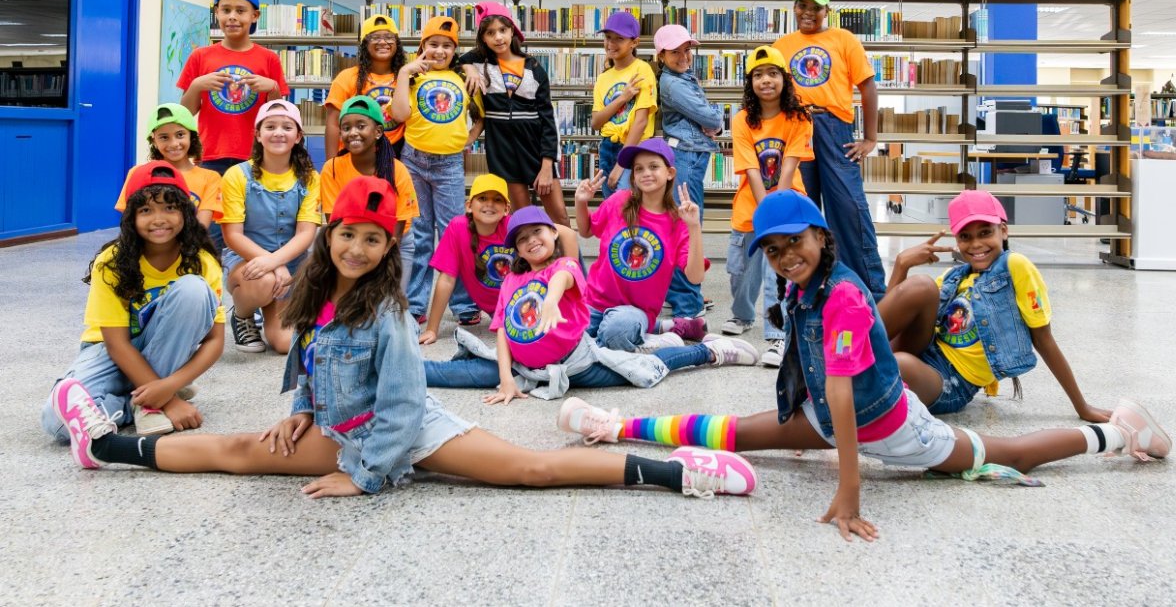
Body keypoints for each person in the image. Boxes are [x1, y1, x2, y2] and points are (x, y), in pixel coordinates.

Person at [49, 177, 758, 501]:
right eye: (348, 235)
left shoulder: (385, 312)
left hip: (404, 434)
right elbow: (306, 359)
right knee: (238, 453)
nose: (357, 248)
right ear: (330, 236)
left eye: (373, 240)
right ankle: (105, 445)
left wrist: (364, 476)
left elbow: (401, 401)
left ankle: (678, 472)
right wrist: (301, 406)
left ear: (388, 249)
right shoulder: (318, 291)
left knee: (531, 471)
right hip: (338, 425)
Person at [558, 190, 1172, 542]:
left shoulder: (847, 298)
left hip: (899, 427)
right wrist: (798, 410)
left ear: (822, 236)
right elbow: (811, 365)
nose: (784, 257)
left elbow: (848, 395)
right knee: (737, 431)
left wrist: (848, 491)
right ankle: (616, 427)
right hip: (829, 415)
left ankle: (1119, 433)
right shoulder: (803, 288)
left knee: (1008, 453)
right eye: (772, 251)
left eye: (794, 242)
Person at [423, 205, 760, 402]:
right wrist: (506, 380)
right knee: (451, 374)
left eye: (537, 232)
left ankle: (709, 351)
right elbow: (500, 332)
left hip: (580, 366)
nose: (531, 241)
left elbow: (561, 280)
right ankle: (385, 368)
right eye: (522, 240)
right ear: (517, 250)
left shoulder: (564, 266)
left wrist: (552, 301)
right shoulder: (512, 280)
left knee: (646, 369)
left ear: (554, 233)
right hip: (521, 370)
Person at [877, 189, 1110, 422]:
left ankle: (852, 368)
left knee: (896, 365)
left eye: (985, 232)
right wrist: (901, 266)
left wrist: (1082, 406)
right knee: (921, 286)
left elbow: (1043, 338)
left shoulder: (1014, 266)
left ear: (1004, 230)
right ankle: (847, 356)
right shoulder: (954, 277)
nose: (976, 244)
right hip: (925, 353)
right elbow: (892, 321)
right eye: (965, 237)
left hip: (950, 381)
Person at [41, 162, 223, 440]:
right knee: (57, 421)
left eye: (170, 208)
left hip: (167, 348)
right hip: (109, 350)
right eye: (146, 210)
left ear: (186, 212)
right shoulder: (111, 262)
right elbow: (116, 343)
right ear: (131, 217)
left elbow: (215, 341)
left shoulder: (202, 262)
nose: (159, 218)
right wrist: (169, 398)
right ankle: (148, 400)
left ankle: (152, 393)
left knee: (193, 290)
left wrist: (174, 382)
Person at [772, 0, 886, 299]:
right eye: (802, 5)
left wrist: (870, 138)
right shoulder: (781, 46)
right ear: (794, 7)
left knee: (849, 209)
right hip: (796, 127)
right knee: (802, 210)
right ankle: (811, 290)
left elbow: (867, 86)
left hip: (834, 127)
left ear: (827, 10)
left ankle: (871, 293)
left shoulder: (844, 39)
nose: (808, 12)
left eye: (816, 7)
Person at [178, 0, 288, 252]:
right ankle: (208, 292)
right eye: (226, 10)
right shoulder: (200, 56)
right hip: (211, 157)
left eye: (240, 11)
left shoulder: (269, 59)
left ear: (255, 16)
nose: (233, 17)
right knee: (208, 237)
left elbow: (278, 117)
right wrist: (197, 85)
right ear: (217, 13)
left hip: (256, 158)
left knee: (254, 233)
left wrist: (272, 88)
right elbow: (185, 112)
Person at [721, 46, 813, 369]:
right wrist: (763, 212)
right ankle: (742, 315)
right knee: (741, 271)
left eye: (773, 73)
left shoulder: (799, 119)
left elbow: (787, 169)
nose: (766, 81)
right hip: (749, 208)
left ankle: (776, 335)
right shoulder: (742, 120)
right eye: (758, 75)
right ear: (750, 83)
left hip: (787, 205)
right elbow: (750, 170)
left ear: (784, 80)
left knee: (778, 269)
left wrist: (775, 217)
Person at [390, 16, 483, 326]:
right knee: (419, 236)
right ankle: (416, 304)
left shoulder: (463, 78)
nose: (439, 51)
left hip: (449, 165)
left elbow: (480, 117)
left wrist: (467, 140)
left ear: (455, 50)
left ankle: (462, 303)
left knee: (453, 233)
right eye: (433, 45)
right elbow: (400, 114)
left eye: (447, 46)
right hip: (414, 161)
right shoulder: (413, 77)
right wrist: (404, 73)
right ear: (422, 46)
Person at [575, 139, 710, 350]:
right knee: (561, 338)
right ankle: (659, 330)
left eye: (654, 166)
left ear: (670, 173)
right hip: (595, 302)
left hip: (634, 311)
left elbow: (695, 276)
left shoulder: (678, 221)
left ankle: (638, 335)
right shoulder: (619, 200)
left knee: (615, 332)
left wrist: (694, 227)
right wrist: (581, 202)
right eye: (639, 169)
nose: (646, 173)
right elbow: (586, 231)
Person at [418, 173, 578, 345]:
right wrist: (432, 329)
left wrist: (568, 271)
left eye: (497, 200)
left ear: (506, 209)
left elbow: (567, 234)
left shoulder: (513, 225)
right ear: (469, 206)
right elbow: (447, 279)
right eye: (483, 198)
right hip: (501, 312)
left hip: (528, 300)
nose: (489, 204)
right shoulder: (457, 228)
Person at [220, 99, 320, 354]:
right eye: (270, 126)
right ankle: (243, 314)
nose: (278, 133)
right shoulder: (237, 175)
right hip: (247, 261)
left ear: (298, 136)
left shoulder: (309, 177)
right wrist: (272, 263)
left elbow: (306, 233)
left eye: (287, 127)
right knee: (263, 281)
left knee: (286, 344)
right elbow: (232, 235)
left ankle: (273, 313)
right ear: (258, 134)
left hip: (292, 265)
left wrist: (278, 262)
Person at [459, 2, 570, 225]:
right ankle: (529, 260)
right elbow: (451, 60)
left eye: (502, 30)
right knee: (523, 218)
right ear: (483, 38)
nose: (498, 37)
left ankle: (569, 261)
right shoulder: (480, 64)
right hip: (503, 152)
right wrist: (468, 67)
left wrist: (547, 165)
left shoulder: (534, 67)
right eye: (490, 33)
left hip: (536, 150)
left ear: (512, 31)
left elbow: (548, 119)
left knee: (560, 216)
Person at [655, 24, 724, 322]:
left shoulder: (682, 77)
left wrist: (711, 121)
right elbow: (708, 116)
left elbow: (705, 116)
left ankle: (680, 292)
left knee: (682, 224)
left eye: (687, 50)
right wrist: (715, 120)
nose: (684, 56)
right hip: (686, 154)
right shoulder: (673, 84)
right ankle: (687, 303)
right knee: (687, 227)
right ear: (661, 55)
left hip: (690, 153)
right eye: (675, 52)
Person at [319, 96, 419, 295]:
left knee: (390, 305)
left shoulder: (396, 170)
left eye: (361, 126)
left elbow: (399, 225)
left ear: (378, 132)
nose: (353, 132)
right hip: (350, 241)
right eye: (346, 128)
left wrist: (379, 259)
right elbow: (334, 221)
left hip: (393, 245)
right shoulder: (331, 169)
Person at [114, 104, 222, 229]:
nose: (174, 144)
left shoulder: (210, 178)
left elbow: (201, 226)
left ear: (191, 136)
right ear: (154, 141)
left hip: (190, 244)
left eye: (180, 135)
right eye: (164, 137)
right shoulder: (137, 173)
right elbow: (130, 219)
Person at [591, 11, 657, 199]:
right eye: (608, 38)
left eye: (619, 39)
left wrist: (621, 164)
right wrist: (622, 98)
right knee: (610, 206)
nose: (611, 44)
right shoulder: (603, 78)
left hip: (633, 148)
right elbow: (596, 122)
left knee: (626, 203)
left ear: (634, 43)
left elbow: (641, 122)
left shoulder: (641, 69)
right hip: (607, 147)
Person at [324, 14, 407, 160]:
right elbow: (333, 124)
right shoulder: (346, 78)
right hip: (354, 154)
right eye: (375, 37)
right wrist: (331, 165)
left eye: (389, 37)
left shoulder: (407, 78)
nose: (383, 42)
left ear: (397, 43)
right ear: (364, 43)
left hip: (398, 156)